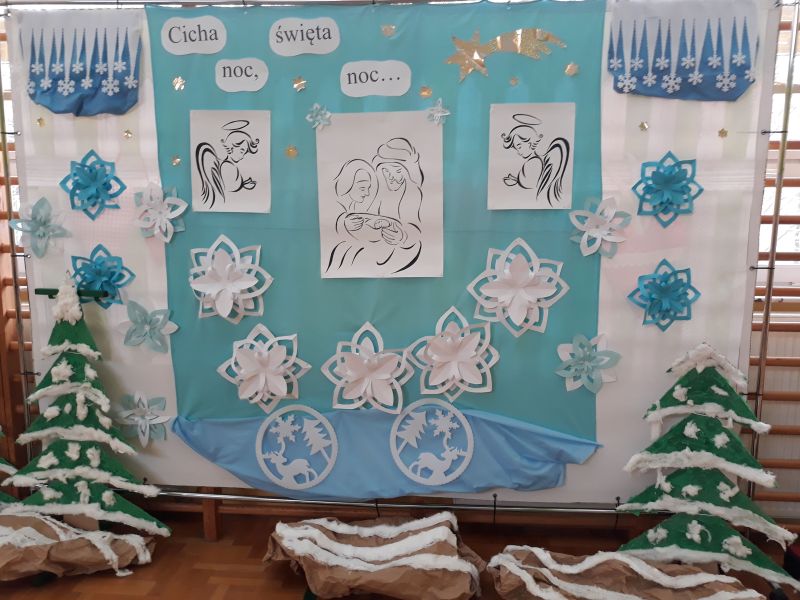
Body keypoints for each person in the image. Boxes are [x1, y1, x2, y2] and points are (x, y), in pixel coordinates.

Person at [501, 114, 570, 206]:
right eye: (516, 148)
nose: (518, 152)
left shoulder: (534, 162)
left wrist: (517, 182)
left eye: (519, 146)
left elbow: (531, 184)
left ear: (530, 143)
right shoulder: (534, 161)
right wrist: (516, 180)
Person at [195, 120, 260, 208]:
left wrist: (244, 184)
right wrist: (243, 185)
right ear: (231, 147)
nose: (242, 156)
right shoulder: (228, 166)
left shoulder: (228, 165)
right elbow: (230, 188)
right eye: (242, 151)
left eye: (244, 153)